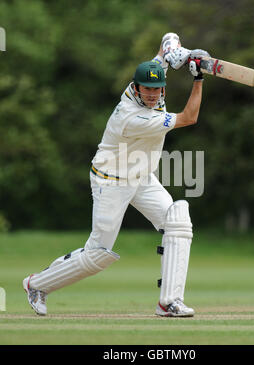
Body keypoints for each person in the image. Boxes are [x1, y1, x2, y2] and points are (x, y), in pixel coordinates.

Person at [23, 33, 209, 317]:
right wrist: (198, 79)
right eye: (145, 89)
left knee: (178, 221)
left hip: (142, 176)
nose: (151, 94)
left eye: (156, 89)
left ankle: (169, 302)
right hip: (111, 181)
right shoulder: (133, 116)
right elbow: (189, 118)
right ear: (135, 88)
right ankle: (37, 284)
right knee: (98, 253)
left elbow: (165, 42)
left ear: (162, 88)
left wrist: (173, 51)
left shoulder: (152, 85)